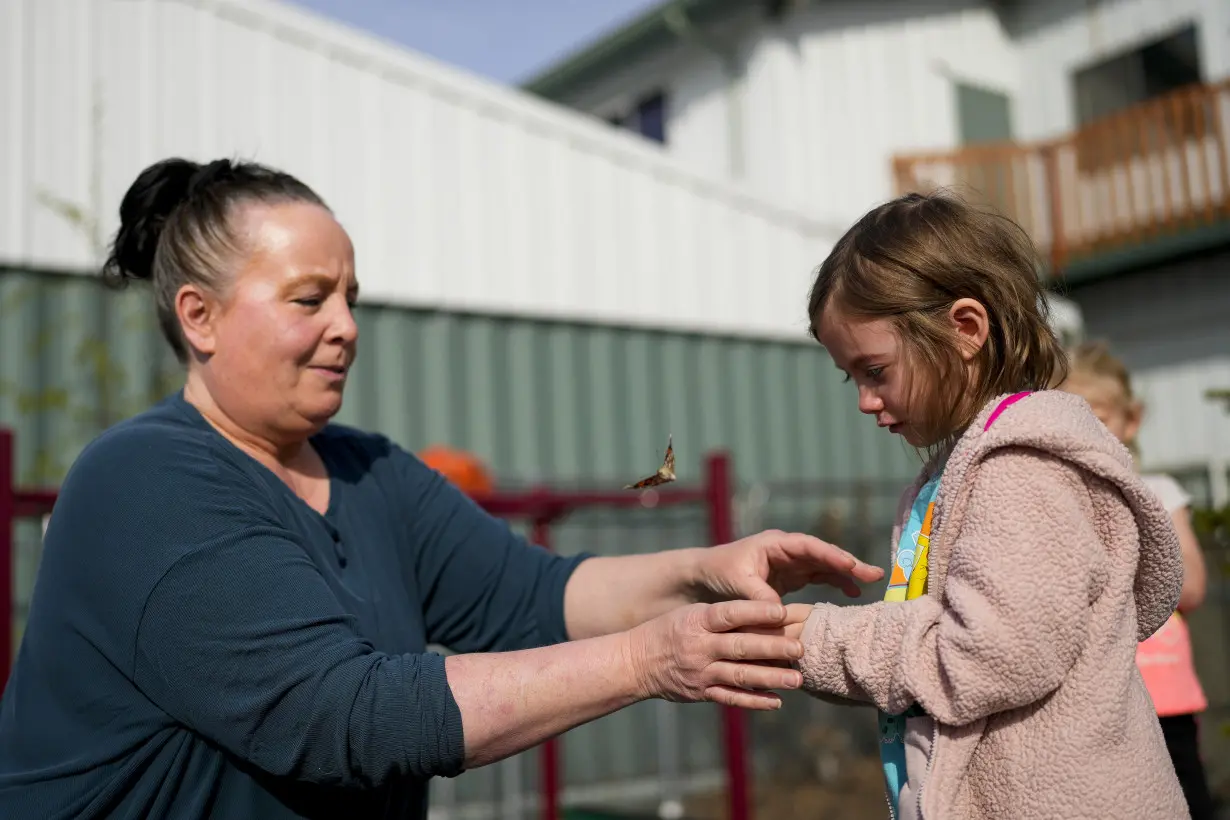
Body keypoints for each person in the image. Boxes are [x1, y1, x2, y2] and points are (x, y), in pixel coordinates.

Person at [0, 157, 883, 820]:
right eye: (308, 299)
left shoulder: (366, 468)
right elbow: (344, 719)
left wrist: (704, 572)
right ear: (198, 315)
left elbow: (534, 594)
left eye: (352, 296)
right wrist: (649, 658)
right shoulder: (144, 481)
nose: (346, 327)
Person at [768, 191, 1188, 819]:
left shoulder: (1023, 468)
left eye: (875, 370)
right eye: (850, 377)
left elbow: (990, 655)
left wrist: (828, 642)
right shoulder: (965, 469)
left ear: (964, 329)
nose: (863, 400)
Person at [1060, 340, 1215, 820]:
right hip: (1099, 700)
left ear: (1132, 420)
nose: (1084, 434)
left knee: (1186, 800)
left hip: (1166, 695)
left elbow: (1190, 588)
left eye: (1099, 418)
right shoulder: (1062, 501)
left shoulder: (1161, 493)